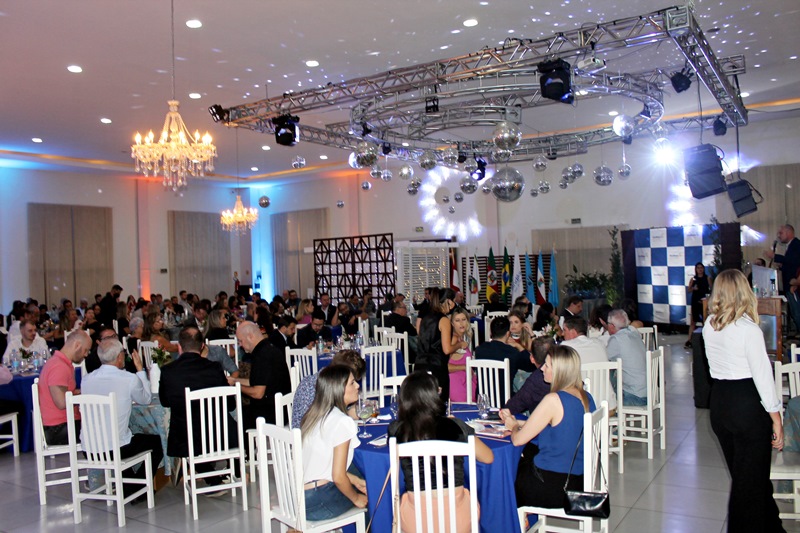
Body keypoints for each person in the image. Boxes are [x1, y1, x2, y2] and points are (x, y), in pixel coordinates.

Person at [702, 269, 784, 533]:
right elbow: (763, 377)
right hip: (746, 405)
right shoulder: (749, 330)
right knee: (748, 486)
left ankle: (773, 527)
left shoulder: (709, 325)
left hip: (720, 403)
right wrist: (776, 418)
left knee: (749, 478)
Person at [388, 371, 494, 532]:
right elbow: (488, 457)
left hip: (415, 521)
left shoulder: (396, 430)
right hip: (458, 519)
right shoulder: (457, 426)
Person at [503, 345, 596, 508]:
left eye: (547, 365)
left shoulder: (553, 400)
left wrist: (514, 426)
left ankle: (512, 517)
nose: (542, 369)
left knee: (505, 473)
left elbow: (517, 440)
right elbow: (563, 427)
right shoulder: (586, 397)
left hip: (554, 485)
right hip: (580, 479)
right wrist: (523, 424)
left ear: (559, 371)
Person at [80, 338, 162, 501]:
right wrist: (140, 370)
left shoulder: (86, 379)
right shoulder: (128, 378)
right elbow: (146, 399)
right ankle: (138, 488)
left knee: (125, 437)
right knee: (157, 442)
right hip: (115, 449)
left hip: (88, 448)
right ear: (119, 357)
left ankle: (129, 485)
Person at [159, 327, 236, 487]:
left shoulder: (168, 371)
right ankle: (224, 473)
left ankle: (208, 475)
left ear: (179, 347)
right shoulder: (214, 368)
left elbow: (165, 402)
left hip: (186, 439)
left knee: (179, 425)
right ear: (201, 346)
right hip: (219, 434)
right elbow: (230, 404)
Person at [301, 364, 368, 520]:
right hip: (318, 499)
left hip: (299, 498)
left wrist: (355, 481)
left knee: (359, 481)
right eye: (352, 383)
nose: (358, 386)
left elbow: (323, 463)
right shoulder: (342, 421)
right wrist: (356, 499)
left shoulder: (314, 415)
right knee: (373, 496)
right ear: (339, 389)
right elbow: (338, 476)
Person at [232, 321, 291, 429]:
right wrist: (234, 380)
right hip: (281, 409)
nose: (240, 345)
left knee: (233, 420)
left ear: (250, 336)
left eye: (240, 341)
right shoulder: (269, 348)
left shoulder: (262, 356)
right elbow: (257, 381)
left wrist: (236, 387)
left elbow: (258, 393)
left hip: (269, 415)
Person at [37, 330, 91, 445]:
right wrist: (85, 396)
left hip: (61, 424)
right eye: (85, 350)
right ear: (77, 345)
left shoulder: (59, 362)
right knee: (104, 425)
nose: (86, 355)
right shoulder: (59, 366)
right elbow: (61, 402)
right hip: (58, 428)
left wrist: (80, 393)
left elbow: (66, 393)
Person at [291, 350, 365, 428]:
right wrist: (349, 415)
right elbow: (323, 426)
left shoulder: (321, 379)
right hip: (305, 432)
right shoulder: (318, 387)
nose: (357, 385)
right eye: (352, 381)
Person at [415, 288, 464, 402]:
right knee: (439, 404)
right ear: (448, 301)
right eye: (453, 301)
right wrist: (460, 344)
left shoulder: (426, 317)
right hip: (436, 367)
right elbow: (447, 349)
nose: (454, 305)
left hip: (420, 365)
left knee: (423, 404)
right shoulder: (443, 320)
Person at [474, 316, 534, 398]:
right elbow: (531, 366)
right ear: (508, 333)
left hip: (482, 398)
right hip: (504, 399)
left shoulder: (479, 350)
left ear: (491, 332)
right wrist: (519, 346)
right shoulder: (512, 353)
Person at [501, 337, 552, 416]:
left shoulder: (536, 380)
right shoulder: (568, 371)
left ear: (532, 358)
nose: (543, 368)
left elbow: (512, 407)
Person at [605, 309, 647, 406]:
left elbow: (603, 360)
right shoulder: (634, 333)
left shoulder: (616, 340)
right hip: (648, 392)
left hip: (634, 396)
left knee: (603, 402)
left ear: (611, 326)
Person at [765, 224, 800, 335]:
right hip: (790, 285)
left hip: (794, 285)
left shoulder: (796, 244)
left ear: (789, 232)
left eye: (781, 233)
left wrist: (775, 257)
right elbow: (791, 264)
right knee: (795, 313)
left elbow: (795, 261)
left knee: (797, 313)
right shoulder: (791, 246)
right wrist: (781, 266)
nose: (779, 236)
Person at [448, 307, 476, 402]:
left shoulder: (462, 338)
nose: (461, 323)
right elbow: (444, 366)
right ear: (452, 323)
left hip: (466, 382)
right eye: (457, 320)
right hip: (457, 385)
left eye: (463, 319)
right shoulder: (454, 339)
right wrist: (464, 367)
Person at [685, 262, 712, 348]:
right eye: (698, 268)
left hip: (704, 302)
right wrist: (693, 288)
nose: (700, 269)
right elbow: (689, 290)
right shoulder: (693, 279)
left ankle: (706, 339)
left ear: (703, 269)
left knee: (705, 321)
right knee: (693, 321)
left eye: (701, 268)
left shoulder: (707, 278)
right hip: (695, 301)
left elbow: (711, 289)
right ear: (696, 269)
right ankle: (689, 340)